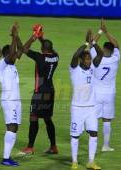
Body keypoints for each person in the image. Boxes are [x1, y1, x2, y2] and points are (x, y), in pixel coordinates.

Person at [20, 25, 59, 154]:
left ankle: (30, 147)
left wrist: (34, 37)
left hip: (39, 92)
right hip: (50, 91)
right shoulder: (55, 57)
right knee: (47, 119)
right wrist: (42, 38)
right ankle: (53, 146)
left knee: (33, 116)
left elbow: (24, 49)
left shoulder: (39, 57)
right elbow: (48, 47)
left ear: (42, 49)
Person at [69, 29, 103, 170]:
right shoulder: (74, 68)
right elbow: (75, 54)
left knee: (94, 133)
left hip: (91, 108)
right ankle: (75, 161)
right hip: (77, 108)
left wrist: (93, 42)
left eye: (90, 59)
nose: (89, 61)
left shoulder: (92, 68)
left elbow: (100, 54)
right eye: (87, 59)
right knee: (75, 136)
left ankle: (91, 161)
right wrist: (85, 43)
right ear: (82, 60)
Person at [90, 19, 119, 152]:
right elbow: (117, 44)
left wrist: (100, 31)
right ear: (112, 51)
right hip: (109, 94)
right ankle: (105, 145)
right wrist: (107, 32)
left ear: (103, 49)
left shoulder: (96, 58)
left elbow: (91, 43)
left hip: (96, 93)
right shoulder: (115, 59)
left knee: (94, 118)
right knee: (107, 120)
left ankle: (93, 144)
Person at [0, 23, 23, 166]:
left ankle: (8, 157)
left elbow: (21, 50)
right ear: (7, 55)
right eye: (12, 54)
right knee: (11, 126)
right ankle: (5, 158)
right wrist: (13, 37)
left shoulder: (12, 65)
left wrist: (30, 37)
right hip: (9, 100)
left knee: (15, 127)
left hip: (16, 100)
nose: (15, 56)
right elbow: (14, 52)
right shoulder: (1, 65)